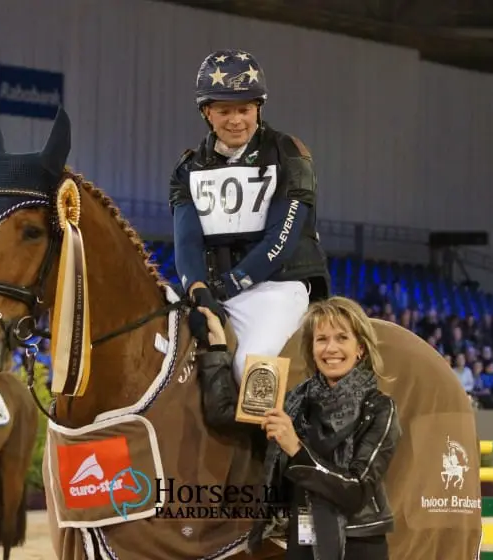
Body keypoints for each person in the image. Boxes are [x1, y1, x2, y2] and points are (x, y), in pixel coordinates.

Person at [169, 49, 331, 385]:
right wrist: (199, 291)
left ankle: (273, 438)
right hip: (217, 290)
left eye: (244, 109)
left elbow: (281, 241)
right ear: (206, 113)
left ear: (258, 108)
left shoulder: (288, 154)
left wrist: (225, 286)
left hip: (277, 288)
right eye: (224, 111)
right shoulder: (187, 169)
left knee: (250, 366)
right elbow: (186, 241)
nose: (236, 120)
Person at [197, 296, 401, 560]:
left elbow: (356, 490)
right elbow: (224, 415)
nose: (331, 348)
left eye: (342, 338)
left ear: (360, 348)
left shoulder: (380, 408)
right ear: (312, 348)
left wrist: (295, 448)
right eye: (322, 339)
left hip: (359, 544)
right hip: (301, 541)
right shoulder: (294, 401)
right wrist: (217, 349)